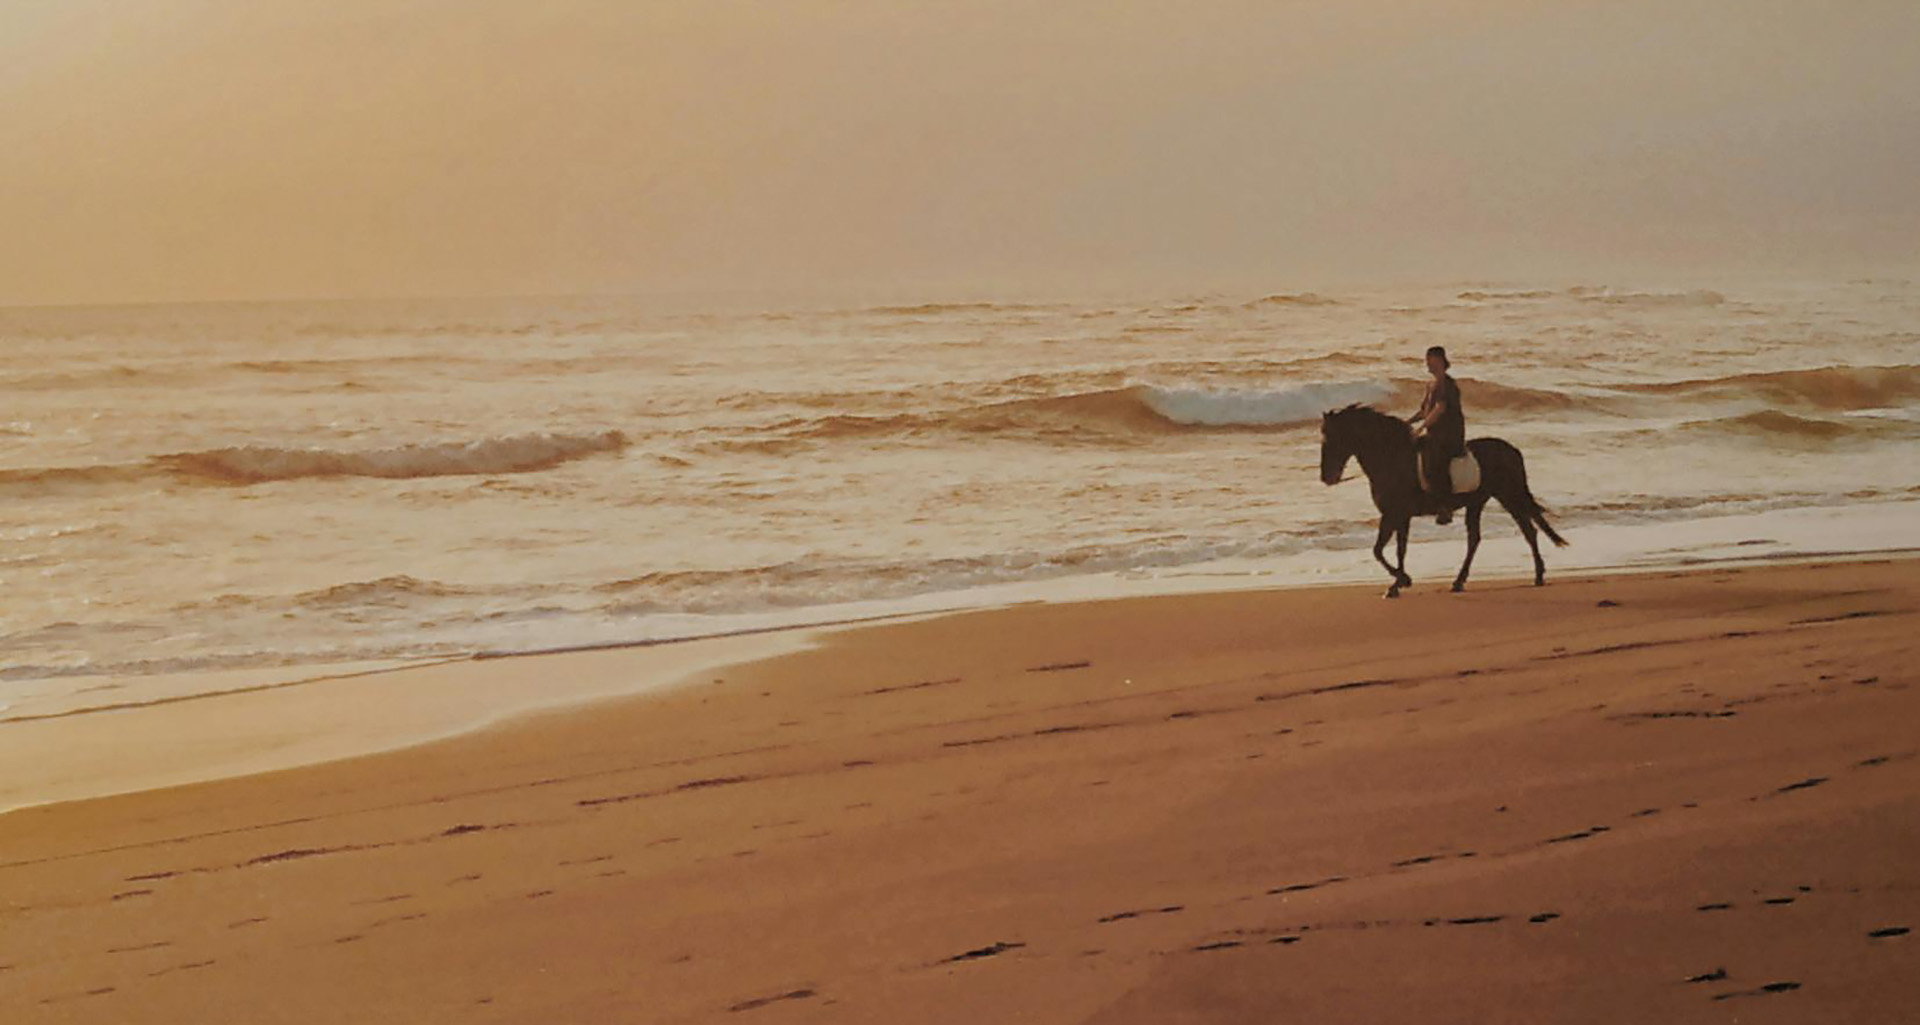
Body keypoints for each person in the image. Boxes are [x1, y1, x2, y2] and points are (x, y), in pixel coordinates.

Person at [1407, 345, 1465, 524]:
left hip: (1449, 435)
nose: (1428, 365)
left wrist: (1421, 428)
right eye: (1427, 361)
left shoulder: (1446, 384)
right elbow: (1424, 410)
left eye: (1430, 361)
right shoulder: (1431, 385)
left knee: (1436, 459)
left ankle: (1445, 506)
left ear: (1440, 361)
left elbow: (1440, 409)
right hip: (1434, 434)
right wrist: (1406, 423)